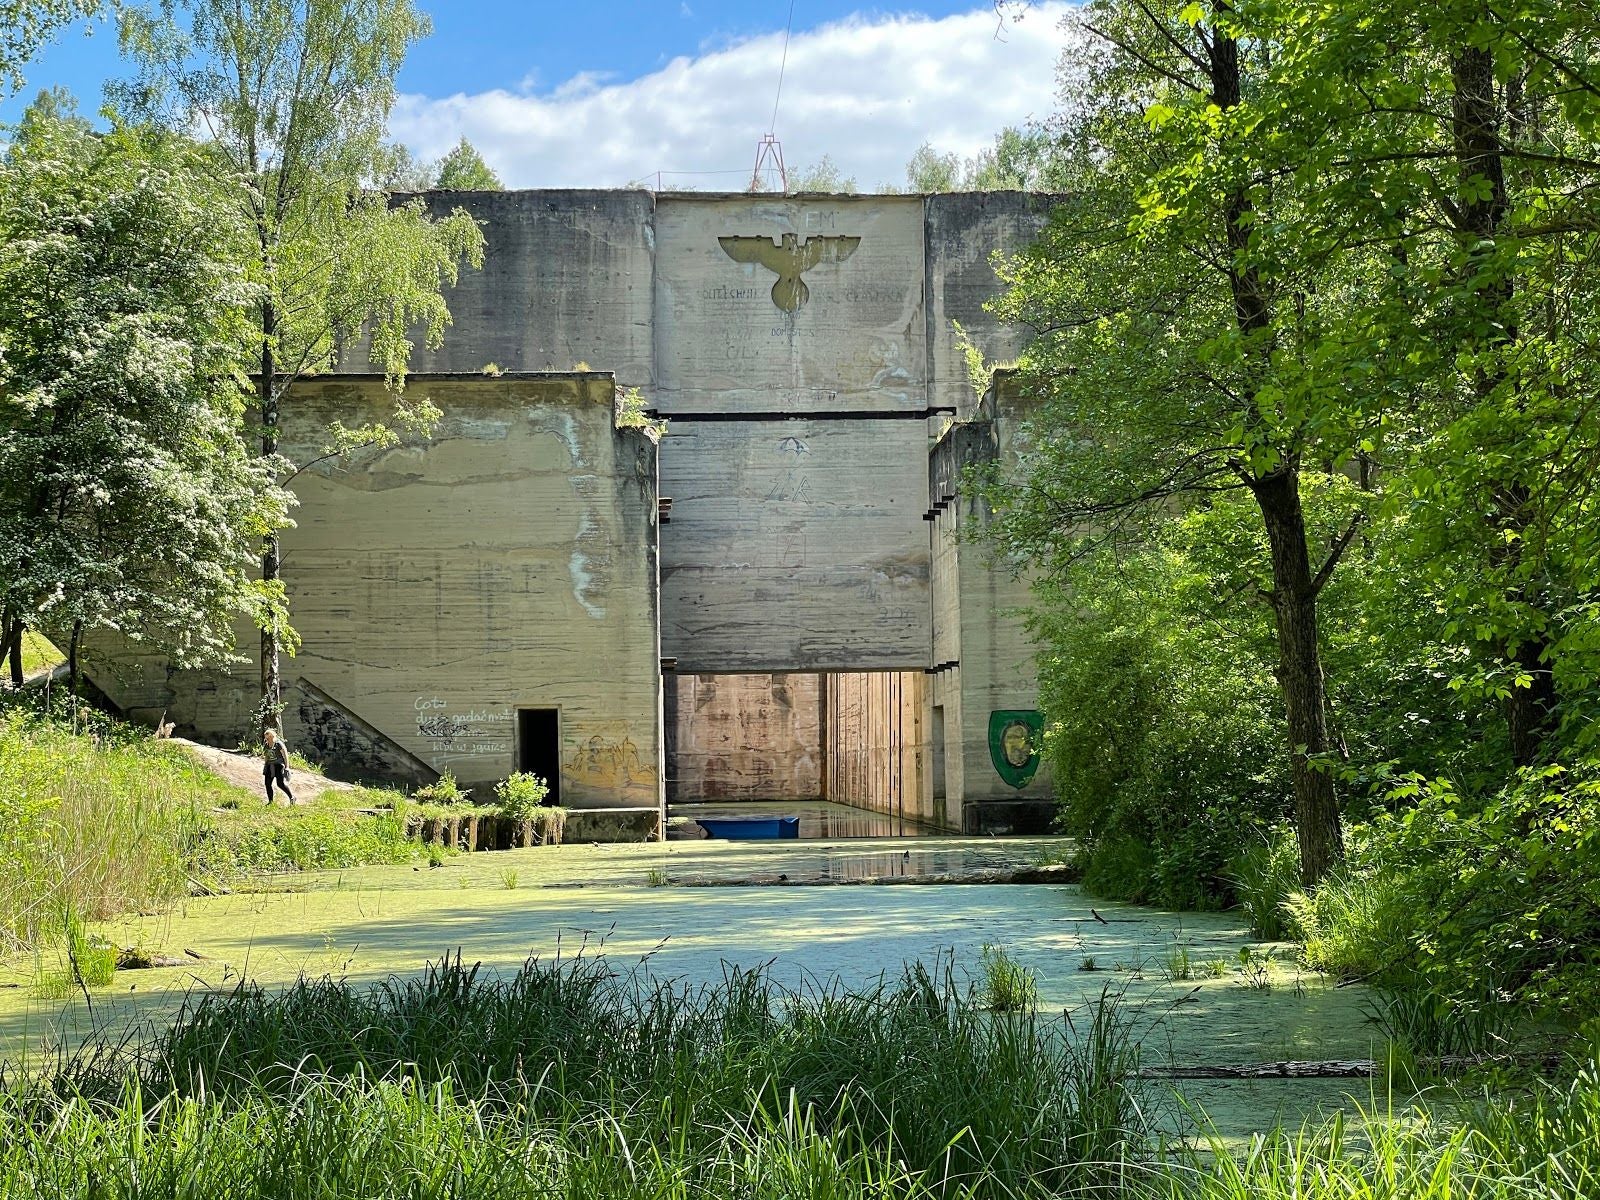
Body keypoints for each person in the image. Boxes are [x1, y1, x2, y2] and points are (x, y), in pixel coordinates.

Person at [262, 729, 296, 805]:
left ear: (272, 736)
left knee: (280, 784)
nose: (266, 739)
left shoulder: (278, 744)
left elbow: (285, 755)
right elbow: (266, 755)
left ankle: (292, 797)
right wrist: (265, 765)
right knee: (267, 783)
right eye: (266, 738)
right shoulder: (267, 745)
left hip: (279, 765)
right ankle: (270, 802)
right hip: (269, 765)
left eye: (268, 738)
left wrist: (287, 767)